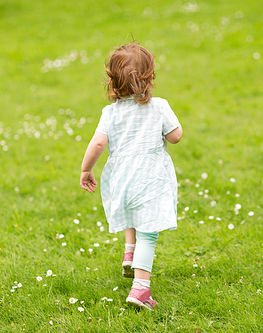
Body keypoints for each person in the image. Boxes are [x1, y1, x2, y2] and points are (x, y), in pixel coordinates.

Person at [79, 43, 182, 310]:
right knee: (148, 232)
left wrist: (86, 169)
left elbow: (99, 144)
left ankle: (129, 251)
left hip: (121, 177)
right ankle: (140, 290)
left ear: (112, 81)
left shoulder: (110, 113)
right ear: (150, 78)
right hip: (150, 178)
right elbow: (176, 136)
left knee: (130, 211)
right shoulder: (159, 107)